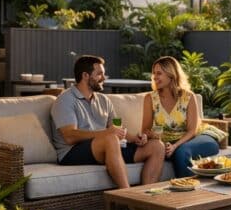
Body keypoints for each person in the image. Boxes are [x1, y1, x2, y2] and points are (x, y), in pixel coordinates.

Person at [51, 55, 163, 188]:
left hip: (106, 147)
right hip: (72, 152)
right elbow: (70, 136)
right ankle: (128, 196)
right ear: (85, 75)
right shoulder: (65, 99)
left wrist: (136, 138)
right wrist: (107, 133)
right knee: (110, 139)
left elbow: (116, 130)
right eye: (99, 74)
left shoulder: (104, 100)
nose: (104, 78)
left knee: (157, 146)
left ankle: (148, 199)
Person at [140, 56, 221, 182]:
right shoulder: (150, 98)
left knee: (182, 152)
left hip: (196, 138)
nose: (154, 77)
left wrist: (175, 146)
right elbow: (145, 129)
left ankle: (188, 191)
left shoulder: (188, 97)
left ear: (171, 75)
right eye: (154, 73)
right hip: (167, 144)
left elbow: (192, 130)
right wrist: (154, 137)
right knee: (178, 152)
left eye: (159, 73)